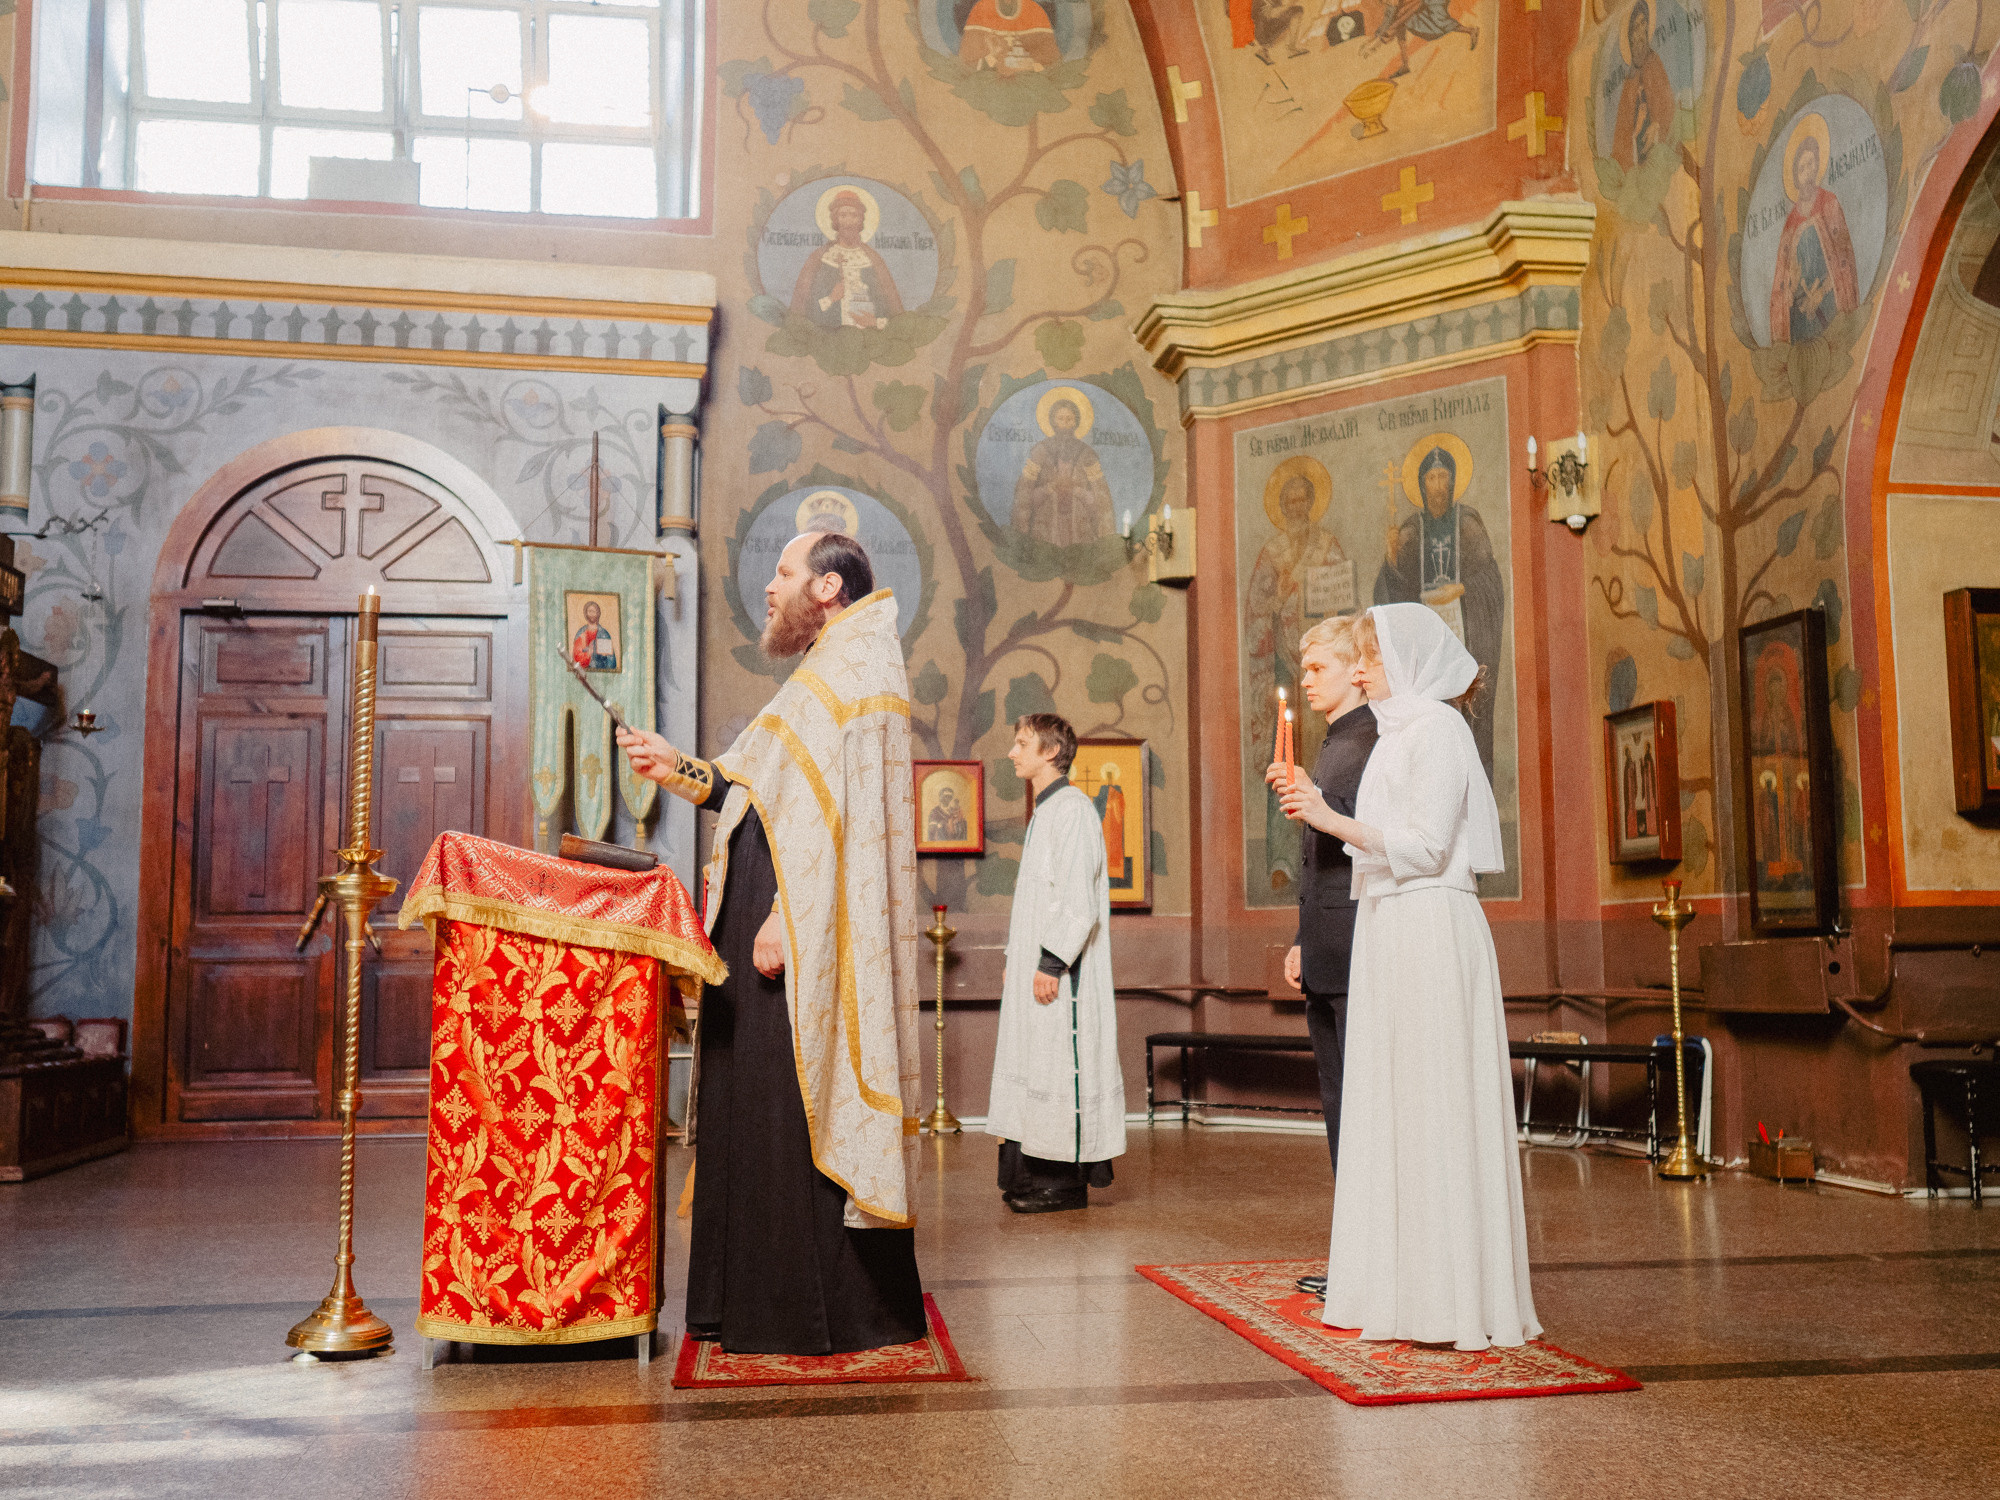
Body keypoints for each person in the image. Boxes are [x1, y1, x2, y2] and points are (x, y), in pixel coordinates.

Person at [618, 532, 925, 1356]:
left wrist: (790, 912)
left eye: (784, 574)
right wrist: (670, 765)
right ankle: (736, 1300)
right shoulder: (826, 665)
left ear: (827, 586)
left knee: (789, 1104)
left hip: (797, 925)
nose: (770, 588)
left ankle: (808, 1310)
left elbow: (846, 828)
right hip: (767, 911)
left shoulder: (860, 674)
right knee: (748, 1102)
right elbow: (751, 788)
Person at [1277, 602, 1537, 1351]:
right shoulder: (1396, 734)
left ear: (1409, 662)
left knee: (1433, 1101)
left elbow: (1422, 848)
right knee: (1387, 1105)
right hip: (1388, 925)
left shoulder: (1439, 730)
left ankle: (1449, 1293)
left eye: (1369, 659)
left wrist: (1326, 818)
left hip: (1426, 923)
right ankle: (1396, 1280)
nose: (1359, 671)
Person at [986, 713, 1123, 1213]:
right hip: (1038, 970)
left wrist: (1049, 961)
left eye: (1021, 743)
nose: (1012, 752)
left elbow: (1075, 902)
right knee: (1034, 1064)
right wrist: (1016, 958)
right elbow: (1035, 902)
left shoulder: (1072, 811)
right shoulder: (1047, 811)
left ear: (1050, 752)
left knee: (1057, 1067)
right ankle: (1028, 1177)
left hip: (1062, 977)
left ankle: (1061, 1184)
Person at [1264, 616, 1376, 1190]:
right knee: (1338, 1105)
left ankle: (1371, 1257)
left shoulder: (1371, 742)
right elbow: (1318, 860)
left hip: (1360, 948)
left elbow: (1374, 842)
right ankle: (1355, 1256)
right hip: (1327, 950)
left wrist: (1318, 801)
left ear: (1357, 672)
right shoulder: (1336, 743)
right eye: (1303, 669)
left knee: (1361, 1108)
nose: (1306, 680)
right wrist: (1302, 939)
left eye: (1317, 669)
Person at [1374, 443, 1505, 779]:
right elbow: (1394, 593)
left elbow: (1489, 578)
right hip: (1426, 638)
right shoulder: (1410, 530)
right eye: (1431, 477)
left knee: (1468, 707)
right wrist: (1391, 559)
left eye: (1443, 476)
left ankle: (1473, 779)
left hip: (1465, 629)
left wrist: (1460, 589)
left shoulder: (1468, 523)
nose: (1437, 484)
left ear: (1452, 480)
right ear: (1422, 484)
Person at [1768, 119, 1858, 346]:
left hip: (1829, 300)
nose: (1807, 173)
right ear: (1795, 177)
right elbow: (1783, 277)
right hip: (1800, 313)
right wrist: (1789, 292)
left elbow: (1844, 258)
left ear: (1818, 165)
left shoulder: (1829, 203)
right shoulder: (1790, 224)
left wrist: (1822, 292)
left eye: (1811, 165)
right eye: (1801, 168)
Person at [790, 189, 906, 331]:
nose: (848, 222)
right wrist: (831, 298)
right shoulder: (820, 258)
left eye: (854, 215)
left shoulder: (872, 260)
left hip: (870, 339)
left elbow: (891, 310)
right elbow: (804, 310)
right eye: (843, 215)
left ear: (860, 220)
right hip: (831, 338)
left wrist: (875, 322)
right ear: (835, 220)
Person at [1013, 397, 1116, 548]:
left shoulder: (1087, 454)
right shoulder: (1039, 452)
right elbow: (1025, 494)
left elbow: (1101, 499)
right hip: (1046, 528)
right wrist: (1051, 487)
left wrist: (1077, 490)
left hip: (1080, 529)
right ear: (1053, 421)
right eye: (1060, 419)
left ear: (1076, 422)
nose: (1065, 424)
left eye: (1069, 419)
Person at [1610, 0, 1676, 171]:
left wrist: (1657, 125)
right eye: (1635, 27)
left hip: (1656, 157)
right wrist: (1636, 131)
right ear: (1629, 35)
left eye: (1643, 23)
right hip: (1637, 160)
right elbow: (1621, 134)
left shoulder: (1654, 64)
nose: (1640, 32)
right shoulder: (1629, 80)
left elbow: (1668, 108)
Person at [959, 0, 1061, 74]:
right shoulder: (981, 9)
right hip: (990, 80)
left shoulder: (1035, 11)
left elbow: (1051, 58)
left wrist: (1029, 65)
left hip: (1028, 79)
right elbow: (967, 59)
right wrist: (993, 57)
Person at [571, 600, 615, 670]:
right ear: (586, 613)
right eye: (589, 611)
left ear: (598, 614)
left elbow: (610, 660)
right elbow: (575, 656)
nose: (591, 614)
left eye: (594, 611)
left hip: (600, 672)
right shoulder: (581, 632)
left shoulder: (603, 634)